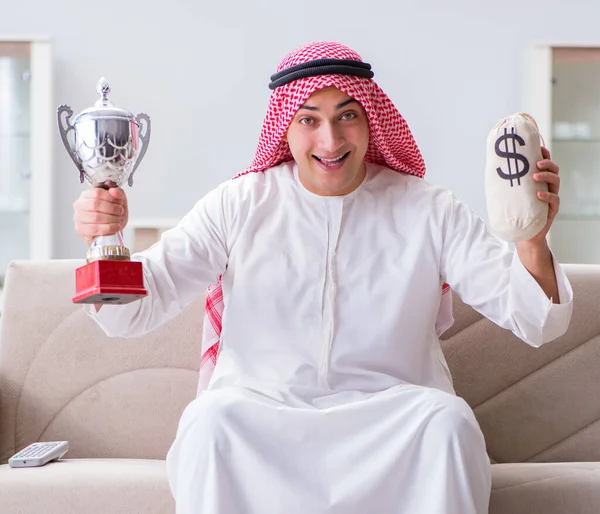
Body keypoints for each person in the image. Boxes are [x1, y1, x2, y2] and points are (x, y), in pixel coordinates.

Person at [73, 41, 573, 514]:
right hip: (262, 421)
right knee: (210, 423)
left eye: (346, 117)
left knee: (448, 423)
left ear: (369, 121)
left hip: (390, 423)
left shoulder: (428, 209)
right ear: (285, 127)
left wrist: (531, 236)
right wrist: (101, 238)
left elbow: (534, 319)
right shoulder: (239, 203)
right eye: (309, 119)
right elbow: (133, 311)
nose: (330, 140)